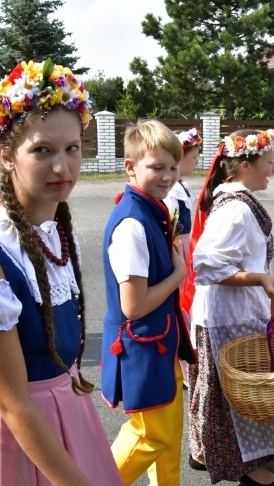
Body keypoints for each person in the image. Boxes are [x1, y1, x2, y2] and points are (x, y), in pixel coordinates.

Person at [0, 60, 122, 486]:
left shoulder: (55, 234)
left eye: (72, 148)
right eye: (42, 150)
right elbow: (13, 403)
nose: (62, 167)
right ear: (5, 155)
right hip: (15, 431)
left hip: (64, 409)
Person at [188, 129, 274, 486]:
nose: (273, 169)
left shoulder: (239, 202)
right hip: (227, 317)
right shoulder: (235, 209)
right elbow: (206, 265)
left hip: (233, 313)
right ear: (246, 166)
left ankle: (218, 454)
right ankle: (250, 469)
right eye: (268, 162)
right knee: (239, 397)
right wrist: (259, 280)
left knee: (230, 393)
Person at [101, 119, 196, 486]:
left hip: (160, 339)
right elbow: (134, 306)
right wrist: (177, 275)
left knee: (168, 432)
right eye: (156, 167)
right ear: (131, 167)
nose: (167, 176)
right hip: (143, 341)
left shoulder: (150, 208)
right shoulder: (132, 224)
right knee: (151, 434)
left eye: (172, 167)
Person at [164, 127, 202, 386]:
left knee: (188, 302)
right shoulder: (171, 192)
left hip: (187, 247)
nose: (197, 162)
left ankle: (188, 361)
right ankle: (182, 365)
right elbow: (172, 225)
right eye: (194, 157)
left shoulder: (183, 188)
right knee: (180, 304)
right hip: (179, 247)